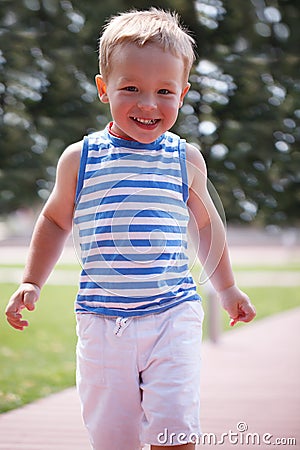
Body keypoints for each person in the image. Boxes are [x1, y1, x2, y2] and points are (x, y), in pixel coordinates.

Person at [5, 8, 256, 450]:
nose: (148, 103)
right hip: (103, 322)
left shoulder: (186, 160)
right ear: (104, 89)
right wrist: (31, 280)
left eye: (165, 91)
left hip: (172, 314)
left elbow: (206, 226)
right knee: (112, 436)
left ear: (183, 93)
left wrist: (228, 288)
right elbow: (54, 219)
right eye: (131, 88)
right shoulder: (79, 159)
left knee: (175, 427)